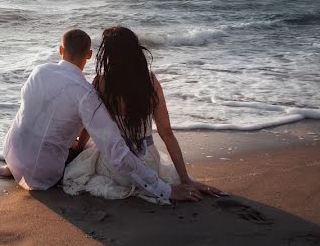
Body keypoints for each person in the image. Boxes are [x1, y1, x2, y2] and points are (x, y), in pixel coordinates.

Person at [0, 29, 203, 203]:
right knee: (90, 147)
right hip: (48, 176)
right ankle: (25, 165)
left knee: (72, 148)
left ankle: (13, 167)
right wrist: (176, 184)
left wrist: (77, 144)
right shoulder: (141, 83)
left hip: (13, 151)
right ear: (88, 55)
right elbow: (156, 136)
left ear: (61, 50)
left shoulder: (42, 72)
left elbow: (36, 113)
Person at [62, 26, 224, 202]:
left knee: (88, 158)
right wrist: (185, 179)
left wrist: (79, 149)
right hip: (148, 166)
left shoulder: (100, 82)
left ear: (108, 54)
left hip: (115, 168)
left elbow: (90, 125)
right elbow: (166, 132)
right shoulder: (150, 81)